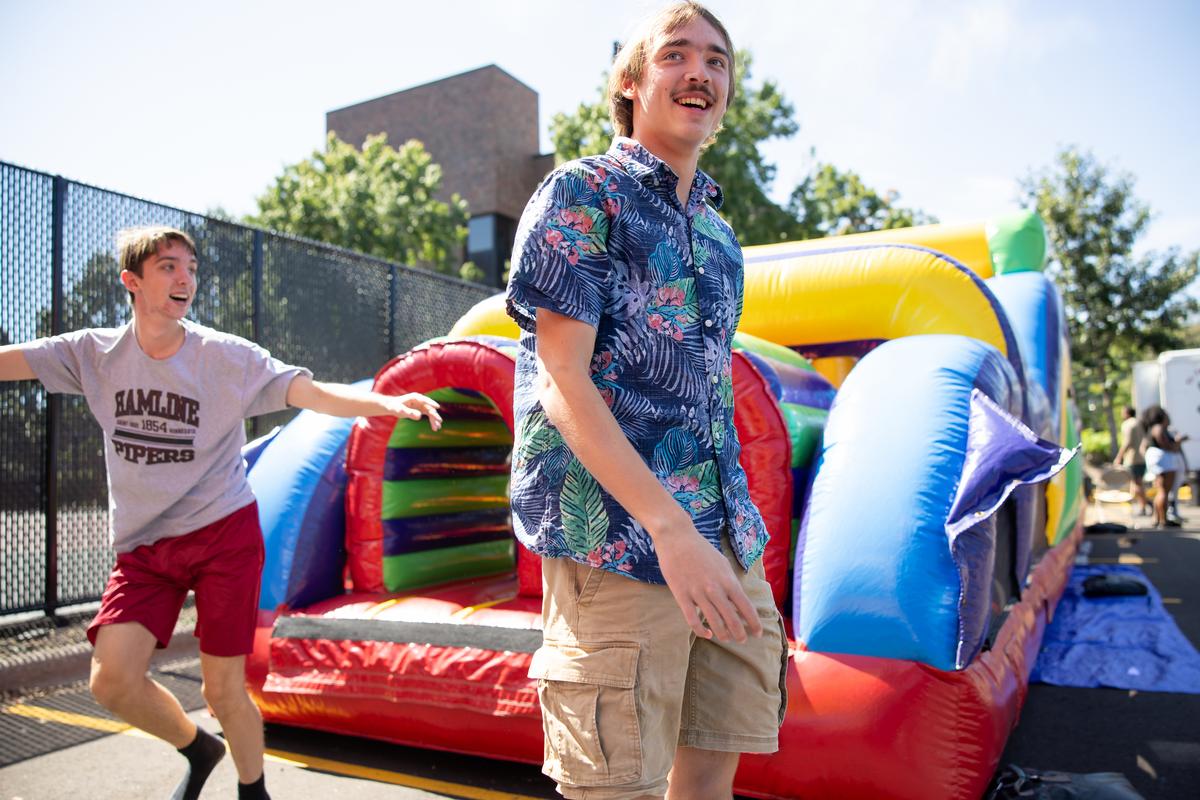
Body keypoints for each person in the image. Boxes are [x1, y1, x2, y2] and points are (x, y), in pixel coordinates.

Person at [0, 226, 442, 800]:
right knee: (111, 680)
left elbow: (311, 393)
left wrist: (385, 401)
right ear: (131, 282)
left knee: (223, 690)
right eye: (168, 267)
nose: (185, 278)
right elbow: (13, 361)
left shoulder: (223, 358)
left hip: (221, 536)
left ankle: (252, 789)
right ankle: (196, 747)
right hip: (145, 545)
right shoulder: (94, 353)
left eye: (190, 267)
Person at [505, 4, 788, 798]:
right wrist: (669, 527)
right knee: (614, 785)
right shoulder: (584, 194)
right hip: (624, 542)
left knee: (710, 775)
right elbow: (564, 383)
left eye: (718, 60)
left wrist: (721, 539)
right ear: (631, 83)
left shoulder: (722, 240)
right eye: (676, 55)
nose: (700, 71)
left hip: (724, 539)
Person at [1141, 405, 1187, 528]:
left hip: (1158, 459)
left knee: (1161, 490)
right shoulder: (1159, 428)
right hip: (1164, 460)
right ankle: (1163, 519)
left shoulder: (1152, 429)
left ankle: (1157, 518)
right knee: (1164, 491)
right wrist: (1178, 442)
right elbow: (1167, 446)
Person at [1114, 405, 1149, 515]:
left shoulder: (1127, 424)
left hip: (1132, 458)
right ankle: (1144, 504)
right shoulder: (1139, 423)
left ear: (1127, 413)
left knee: (1136, 483)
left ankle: (1144, 506)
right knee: (1137, 483)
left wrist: (1119, 456)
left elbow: (1127, 442)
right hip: (1142, 457)